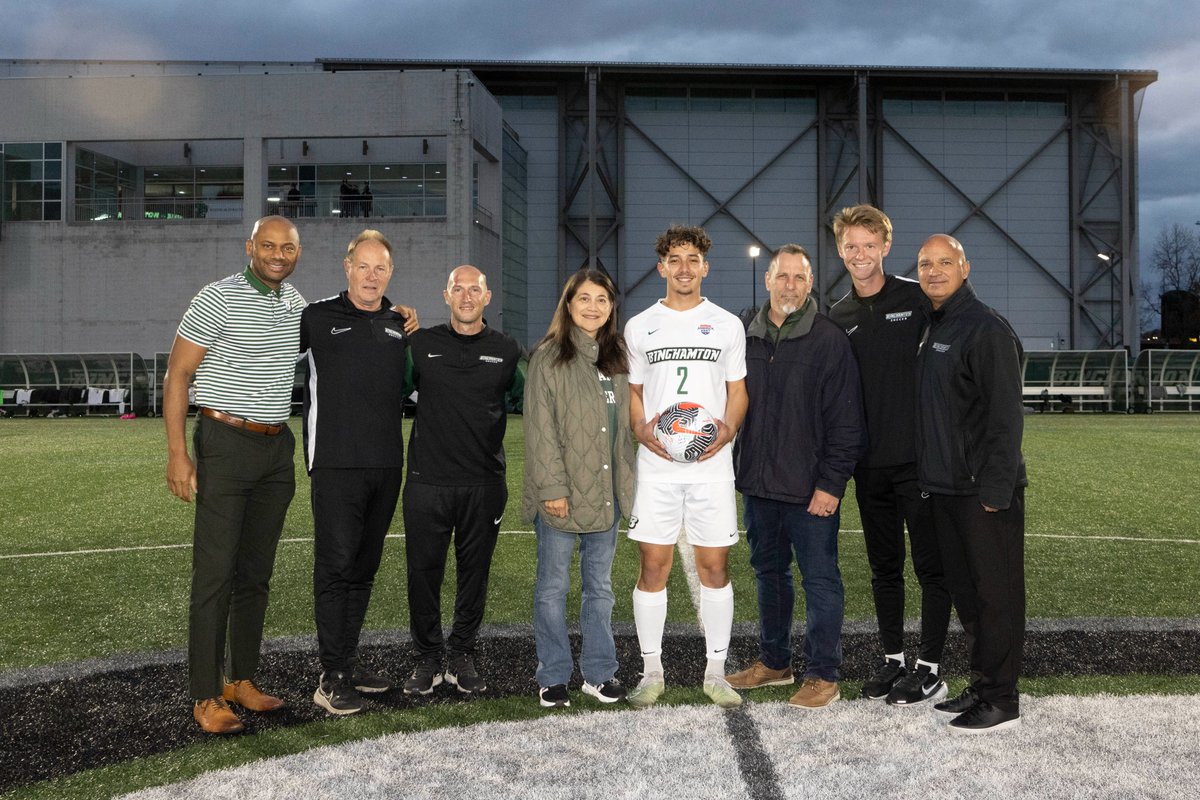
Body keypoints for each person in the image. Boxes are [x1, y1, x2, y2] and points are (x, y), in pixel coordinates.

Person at [164, 215, 305, 735]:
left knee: (255, 576)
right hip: (223, 442)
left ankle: (240, 679)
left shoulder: (296, 305)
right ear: (250, 247)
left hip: (274, 449)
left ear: (297, 253)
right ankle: (205, 694)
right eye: (267, 245)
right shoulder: (216, 296)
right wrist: (178, 453)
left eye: (286, 248)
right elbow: (178, 374)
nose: (277, 254)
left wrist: (395, 313)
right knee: (215, 575)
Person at [726, 244, 865, 709]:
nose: (790, 285)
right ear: (767, 280)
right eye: (782, 276)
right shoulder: (743, 334)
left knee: (820, 580)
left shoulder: (828, 339)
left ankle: (823, 674)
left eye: (799, 278)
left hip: (810, 489)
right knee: (769, 574)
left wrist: (831, 484)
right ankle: (775, 663)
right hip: (759, 484)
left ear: (810, 285)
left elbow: (847, 422)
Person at [827, 205, 953, 706]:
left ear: (885, 247)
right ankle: (893, 661)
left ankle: (931, 667)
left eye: (868, 244)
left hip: (919, 462)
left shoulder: (917, 297)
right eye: (851, 246)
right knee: (885, 568)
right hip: (868, 465)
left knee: (931, 567)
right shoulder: (838, 316)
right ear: (841, 251)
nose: (860, 254)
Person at [623, 224, 748, 710]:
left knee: (714, 567)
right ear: (661, 267)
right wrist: (641, 430)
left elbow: (737, 392)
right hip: (656, 467)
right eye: (674, 259)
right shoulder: (639, 326)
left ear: (705, 267)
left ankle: (716, 672)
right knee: (653, 566)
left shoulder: (725, 324)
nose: (684, 268)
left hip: (711, 467)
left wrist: (726, 432)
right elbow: (634, 395)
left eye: (692, 259)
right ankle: (651, 670)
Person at [300, 230, 419, 715]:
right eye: (363, 266)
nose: (372, 276)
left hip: (387, 463)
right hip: (334, 462)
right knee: (336, 566)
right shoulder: (316, 317)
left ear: (390, 272)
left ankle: (346, 661)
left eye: (381, 268)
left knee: (364, 569)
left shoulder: (400, 324)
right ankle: (331, 675)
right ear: (346, 267)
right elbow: (274, 363)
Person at [914, 233, 1027, 734]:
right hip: (945, 489)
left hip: (982, 493)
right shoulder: (936, 324)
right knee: (968, 596)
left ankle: (1002, 699)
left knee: (995, 597)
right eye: (925, 264)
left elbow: (1005, 419)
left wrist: (995, 492)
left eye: (944, 262)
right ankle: (984, 684)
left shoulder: (985, 329)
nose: (933, 271)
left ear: (965, 266)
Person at [401, 265, 524, 697]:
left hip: (484, 483)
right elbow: (398, 390)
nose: (467, 296)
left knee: (475, 572)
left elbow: (524, 398)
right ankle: (427, 657)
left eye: (476, 289)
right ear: (446, 295)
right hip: (427, 481)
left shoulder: (507, 350)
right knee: (423, 572)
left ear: (488, 297)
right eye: (459, 289)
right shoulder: (421, 344)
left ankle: (463, 653)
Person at [523, 269, 636, 709]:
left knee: (601, 590)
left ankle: (599, 673)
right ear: (568, 305)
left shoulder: (618, 358)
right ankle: (552, 676)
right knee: (552, 589)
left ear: (611, 308)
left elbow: (625, 433)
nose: (593, 307)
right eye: (584, 298)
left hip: (605, 497)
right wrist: (552, 486)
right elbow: (540, 430)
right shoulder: (549, 356)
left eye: (602, 300)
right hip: (562, 496)